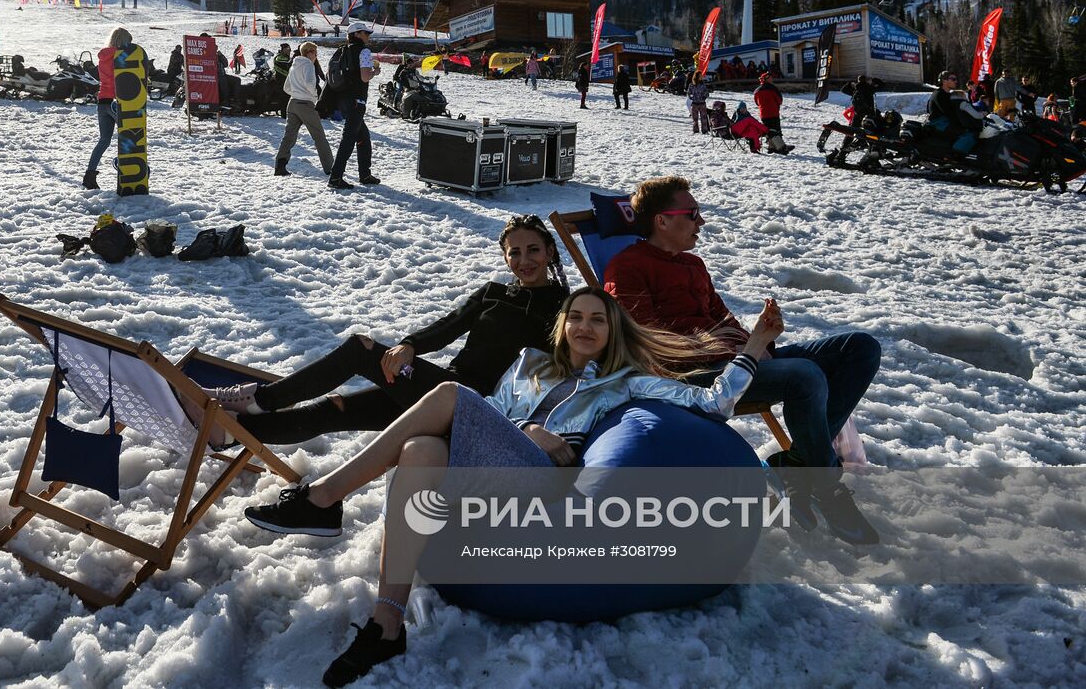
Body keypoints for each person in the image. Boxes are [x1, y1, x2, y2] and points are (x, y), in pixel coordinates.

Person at [240, 287, 782, 686]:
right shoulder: (530, 365)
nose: (586, 327)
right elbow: (494, 414)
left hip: (546, 486)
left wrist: (756, 345)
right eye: (577, 317)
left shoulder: (628, 381)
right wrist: (530, 430)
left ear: (613, 331)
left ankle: (323, 498)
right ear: (562, 325)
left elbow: (713, 403)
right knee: (421, 450)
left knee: (450, 394)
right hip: (500, 462)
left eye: (599, 320)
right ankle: (388, 621)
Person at [602, 176, 880, 545]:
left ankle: (798, 465)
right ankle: (825, 484)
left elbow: (720, 317)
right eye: (693, 213)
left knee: (859, 347)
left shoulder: (693, 264)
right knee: (804, 375)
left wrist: (756, 340)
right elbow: (649, 340)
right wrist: (739, 352)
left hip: (738, 359)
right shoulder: (628, 267)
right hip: (697, 376)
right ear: (662, 220)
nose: (701, 222)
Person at [208, 215, 571, 445]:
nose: (524, 261)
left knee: (361, 350)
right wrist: (410, 345)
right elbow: (446, 327)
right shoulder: (494, 292)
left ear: (551, 252)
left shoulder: (567, 308)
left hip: (482, 410)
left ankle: (257, 400)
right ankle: (229, 433)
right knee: (333, 409)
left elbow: (576, 365)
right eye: (514, 253)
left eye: (533, 250)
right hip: (442, 390)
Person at [326, 21, 380, 190]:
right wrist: (375, 72)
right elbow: (364, 77)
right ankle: (335, 177)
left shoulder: (342, 50)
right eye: (365, 33)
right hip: (357, 100)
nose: (368, 36)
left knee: (363, 136)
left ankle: (365, 174)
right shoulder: (363, 51)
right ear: (357, 34)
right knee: (348, 139)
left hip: (342, 100)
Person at [274, 41, 334, 176]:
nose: (316, 56)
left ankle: (280, 165)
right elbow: (310, 84)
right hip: (305, 104)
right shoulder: (308, 65)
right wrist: (314, 97)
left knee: (289, 137)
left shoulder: (294, 65)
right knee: (319, 136)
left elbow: (286, 88)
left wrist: (297, 93)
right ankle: (330, 168)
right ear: (310, 52)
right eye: (315, 53)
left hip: (292, 103)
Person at [83, 27, 126, 189]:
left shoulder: (103, 56)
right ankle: (126, 166)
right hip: (117, 101)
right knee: (129, 135)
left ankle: (89, 175)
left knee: (104, 140)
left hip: (103, 101)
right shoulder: (122, 57)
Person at [926, 70, 977, 154]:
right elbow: (949, 113)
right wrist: (963, 123)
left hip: (945, 122)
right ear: (944, 81)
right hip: (939, 124)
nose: (956, 81)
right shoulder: (939, 94)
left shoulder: (947, 94)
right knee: (968, 133)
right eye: (953, 79)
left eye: (956, 79)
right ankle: (954, 156)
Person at [752, 72, 791, 153]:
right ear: (766, 79)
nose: (772, 79)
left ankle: (771, 147)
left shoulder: (757, 91)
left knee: (769, 130)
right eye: (770, 77)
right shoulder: (773, 88)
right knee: (776, 130)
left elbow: (756, 102)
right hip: (773, 112)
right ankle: (780, 148)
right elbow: (779, 100)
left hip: (763, 113)